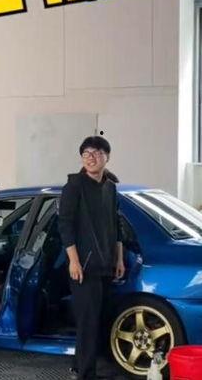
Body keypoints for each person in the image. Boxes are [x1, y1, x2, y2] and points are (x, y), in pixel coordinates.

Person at [58, 136, 125, 380]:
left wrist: (119, 259)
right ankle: (86, 374)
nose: (90, 157)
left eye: (96, 153)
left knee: (97, 319)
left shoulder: (110, 187)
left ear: (107, 157)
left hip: (105, 263)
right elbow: (65, 225)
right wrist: (74, 261)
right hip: (83, 266)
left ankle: (79, 366)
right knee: (88, 322)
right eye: (86, 153)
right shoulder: (74, 186)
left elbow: (116, 225)